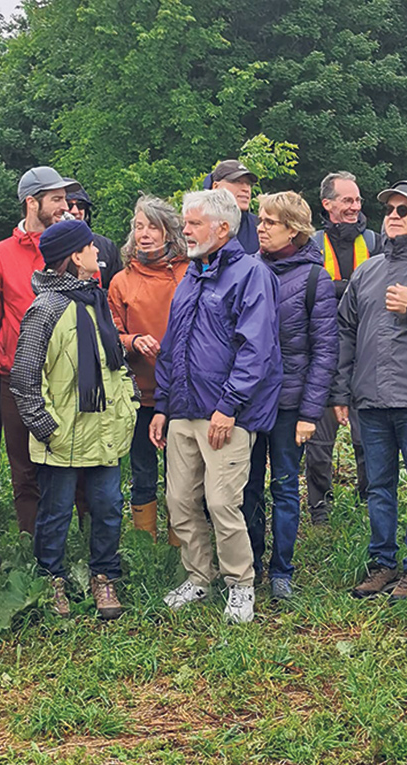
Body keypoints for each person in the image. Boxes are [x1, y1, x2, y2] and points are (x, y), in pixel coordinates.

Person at [150, 189, 280, 624]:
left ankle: (241, 584)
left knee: (223, 503)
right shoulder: (190, 275)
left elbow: (256, 347)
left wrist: (229, 406)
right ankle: (198, 576)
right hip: (183, 411)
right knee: (180, 501)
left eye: (193, 223)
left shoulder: (250, 274)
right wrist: (162, 406)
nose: (184, 230)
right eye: (185, 223)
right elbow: (172, 347)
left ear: (222, 228)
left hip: (226, 416)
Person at [334, 181, 407, 603]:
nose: (393, 216)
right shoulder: (367, 271)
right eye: (389, 209)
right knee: (378, 487)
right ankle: (382, 563)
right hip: (370, 398)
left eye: (405, 210)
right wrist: (340, 391)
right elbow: (345, 330)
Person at [10, 219, 135, 620]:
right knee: (56, 512)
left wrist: (127, 409)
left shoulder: (95, 301)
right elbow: (26, 376)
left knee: (109, 507)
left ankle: (105, 576)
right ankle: (52, 580)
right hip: (62, 438)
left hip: (104, 433)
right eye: (90, 248)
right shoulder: (45, 309)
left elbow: (113, 366)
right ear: (75, 257)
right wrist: (47, 428)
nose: (99, 252)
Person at [0, 166, 82, 533]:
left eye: (66, 198)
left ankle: (82, 543)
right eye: (57, 199)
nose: (66, 205)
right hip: (16, 378)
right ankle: (36, 550)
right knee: (24, 470)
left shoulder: (76, 249)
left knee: (75, 462)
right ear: (32, 203)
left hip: (70, 378)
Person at [240, 192, 336, 599]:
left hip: (289, 405)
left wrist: (309, 413)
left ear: (293, 229)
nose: (259, 227)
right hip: (248, 402)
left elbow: (324, 350)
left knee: (283, 486)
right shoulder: (247, 271)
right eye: (259, 220)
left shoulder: (317, 279)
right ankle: (249, 563)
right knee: (246, 487)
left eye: (269, 222)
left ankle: (282, 570)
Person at [108, 196, 190, 541]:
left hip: (184, 393)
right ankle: (146, 545)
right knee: (142, 470)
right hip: (139, 392)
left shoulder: (190, 272)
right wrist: (132, 340)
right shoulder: (121, 281)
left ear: (169, 232)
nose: (144, 234)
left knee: (181, 471)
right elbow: (111, 331)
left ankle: (179, 542)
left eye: (152, 227)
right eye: (139, 226)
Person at [306, 171, 380, 522]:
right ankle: (320, 508)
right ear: (328, 204)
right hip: (320, 354)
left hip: (366, 356)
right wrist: (348, 289)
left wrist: (337, 289)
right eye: (347, 200)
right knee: (319, 444)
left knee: (367, 439)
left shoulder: (376, 242)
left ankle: (369, 503)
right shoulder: (312, 243)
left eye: (358, 201)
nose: (355, 207)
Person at [63, 182, 124, 289]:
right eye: (69, 205)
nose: (75, 211)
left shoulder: (106, 247)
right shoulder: (51, 248)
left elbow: (118, 290)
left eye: (81, 205)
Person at [202, 159, 260, 253]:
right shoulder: (194, 225)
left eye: (249, 184)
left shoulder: (260, 227)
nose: (246, 189)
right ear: (215, 186)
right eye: (237, 181)